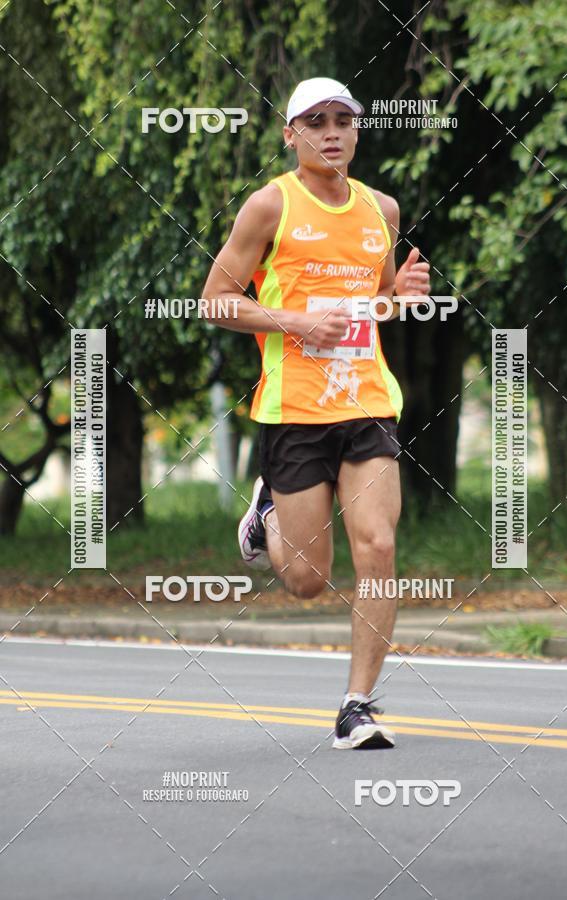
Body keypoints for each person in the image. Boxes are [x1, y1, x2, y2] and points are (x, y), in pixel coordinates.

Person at [202, 77, 430, 749]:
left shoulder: (381, 210)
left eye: (343, 119)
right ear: (291, 134)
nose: (331, 131)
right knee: (307, 580)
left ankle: (357, 706)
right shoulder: (270, 205)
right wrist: (295, 321)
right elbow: (217, 299)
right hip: (295, 409)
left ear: (357, 130)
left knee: (379, 546)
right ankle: (268, 509)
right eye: (314, 121)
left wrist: (403, 295)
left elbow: (376, 301)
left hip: (366, 403)